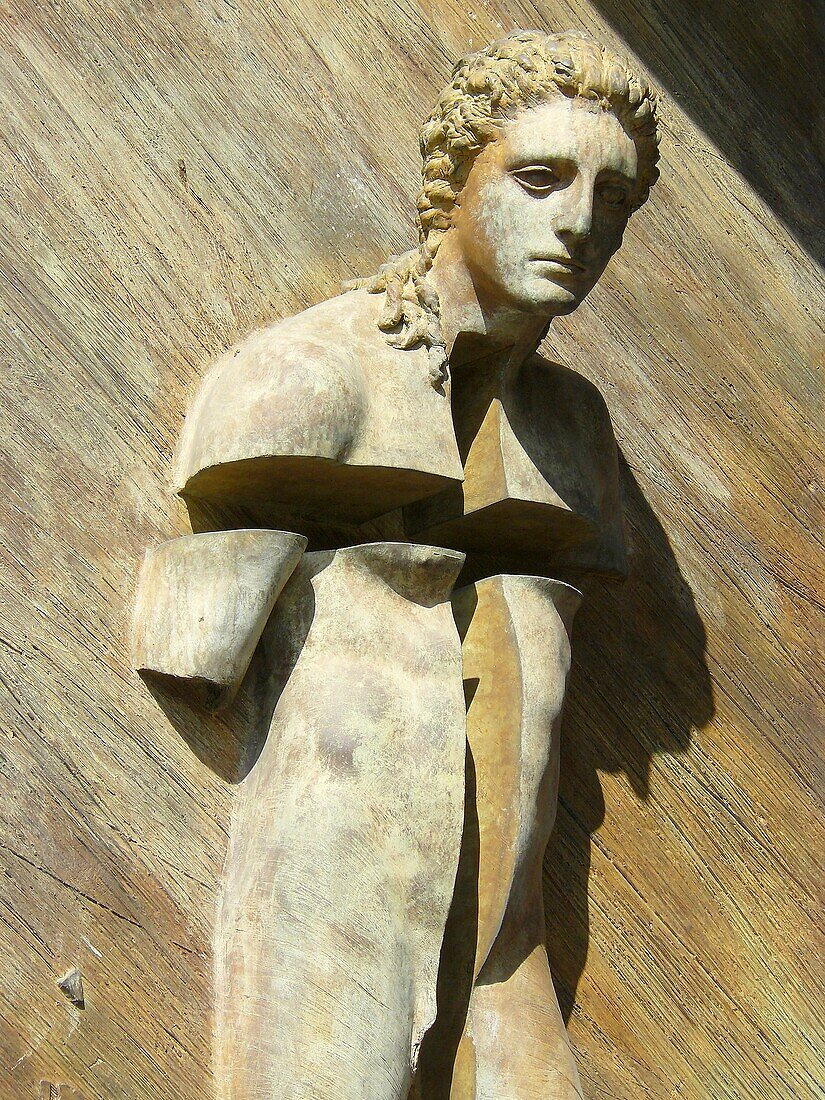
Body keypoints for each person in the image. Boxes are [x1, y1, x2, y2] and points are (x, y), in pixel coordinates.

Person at [161, 28, 659, 1099]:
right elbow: (187, 655)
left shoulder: (574, 433)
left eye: (615, 199)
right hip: (330, 900)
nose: (579, 222)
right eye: (539, 177)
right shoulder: (308, 380)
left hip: (507, 931)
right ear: (455, 179)